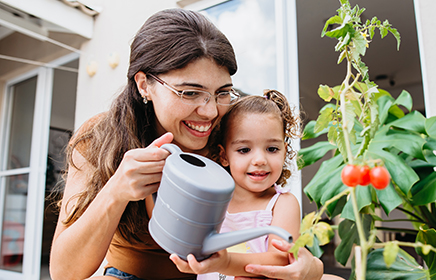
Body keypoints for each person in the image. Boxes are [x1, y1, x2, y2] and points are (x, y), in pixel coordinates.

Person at [49, 7, 326, 280]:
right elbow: (64, 272)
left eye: (222, 92)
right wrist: (116, 191)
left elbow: (272, 228)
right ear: (144, 85)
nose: (209, 112)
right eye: (190, 92)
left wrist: (312, 269)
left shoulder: (231, 131)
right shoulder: (100, 138)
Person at [170, 90, 301, 279]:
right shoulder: (211, 201)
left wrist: (227, 263)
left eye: (272, 149)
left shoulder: (282, 204)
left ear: (284, 151)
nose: (259, 160)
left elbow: (280, 260)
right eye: (244, 150)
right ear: (224, 156)